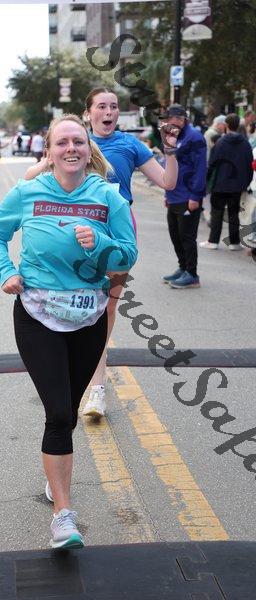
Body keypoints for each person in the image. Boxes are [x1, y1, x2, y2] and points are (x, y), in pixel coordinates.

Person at [0, 114, 137, 549]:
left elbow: (128, 255)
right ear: (48, 152)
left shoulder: (108, 197)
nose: (71, 148)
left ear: (89, 151)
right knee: (59, 414)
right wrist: (5, 271)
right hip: (38, 315)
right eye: (62, 142)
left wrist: (101, 244)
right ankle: (63, 517)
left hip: (89, 316)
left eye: (79, 142)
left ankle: (56, 479)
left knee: (67, 412)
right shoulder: (27, 192)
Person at [25, 87, 178, 418]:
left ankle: (96, 388)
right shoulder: (75, 143)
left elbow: (167, 181)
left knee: (106, 309)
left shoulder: (129, 145)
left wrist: (170, 150)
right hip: (77, 234)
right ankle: (71, 369)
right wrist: (50, 159)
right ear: (88, 113)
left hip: (117, 234)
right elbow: (29, 177)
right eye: (102, 106)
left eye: (114, 106)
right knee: (77, 301)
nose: (109, 112)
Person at [162, 104, 206, 289]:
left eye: (171, 120)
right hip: (174, 195)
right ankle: (183, 268)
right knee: (175, 235)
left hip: (188, 196)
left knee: (187, 237)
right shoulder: (173, 136)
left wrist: (196, 196)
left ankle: (192, 274)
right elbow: (168, 165)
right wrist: (167, 192)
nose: (168, 123)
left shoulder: (194, 137)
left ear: (181, 119)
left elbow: (200, 168)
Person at [199, 113, 253, 251]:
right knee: (234, 213)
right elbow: (249, 165)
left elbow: (212, 163)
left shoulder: (221, 143)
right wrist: (245, 183)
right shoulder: (245, 143)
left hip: (220, 184)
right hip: (237, 185)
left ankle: (213, 241)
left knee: (217, 212)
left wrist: (207, 181)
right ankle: (234, 242)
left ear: (226, 125)